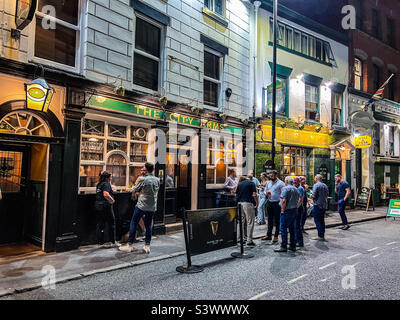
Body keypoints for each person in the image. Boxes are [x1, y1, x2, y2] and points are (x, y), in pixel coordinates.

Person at [120, 163, 160, 254]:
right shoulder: (157, 179)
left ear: (146, 169)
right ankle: (147, 246)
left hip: (141, 205)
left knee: (133, 222)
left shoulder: (143, 179)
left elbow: (134, 189)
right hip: (152, 206)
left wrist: (136, 192)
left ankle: (129, 245)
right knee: (148, 225)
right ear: (153, 169)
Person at [94, 171, 120, 248]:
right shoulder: (106, 184)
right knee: (112, 224)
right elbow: (106, 194)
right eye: (110, 177)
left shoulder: (99, 184)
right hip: (106, 206)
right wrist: (112, 200)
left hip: (99, 206)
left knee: (101, 224)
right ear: (108, 178)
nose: (111, 179)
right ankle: (112, 241)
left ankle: (100, 242)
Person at [274, 176, 300, 253]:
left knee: (283, 229)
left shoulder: (285, 188)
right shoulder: (296, 189)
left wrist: (282, 210)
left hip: (287, 211)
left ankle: (283, 246)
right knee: (292, 229)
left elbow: (284, 200)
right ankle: (292, 245)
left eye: (285, 181)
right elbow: (298, 200)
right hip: (294, 210)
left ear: (287, 181)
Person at [261, 170, 285, 244]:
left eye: (272, 176)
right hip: (270, 202)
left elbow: (283, 194)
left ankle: (276, 236)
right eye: (270, 176)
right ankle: (269, 235)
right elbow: (265, 190)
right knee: (269, 219)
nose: (271, 177)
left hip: (277, 203)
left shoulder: (281, 183)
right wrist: (266, 193)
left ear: (275, 175)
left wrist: (281, 205)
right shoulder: (268, 183)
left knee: (277, 220)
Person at [236, 176, 258, 247]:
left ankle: (240, 239)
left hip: (239, 204)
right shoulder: (251, 183)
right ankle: (249, 240)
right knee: (250, 222)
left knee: (241, 222)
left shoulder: (240, 184)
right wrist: (257, 203)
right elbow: (254, 194)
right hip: (248, 203)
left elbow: (236, 194)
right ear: (251, 179)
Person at [311, 174, 329, 241]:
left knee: (318, 221)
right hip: (324, 205)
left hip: (317, 205)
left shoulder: (316, 185)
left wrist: (311, 194)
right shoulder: (325, 185)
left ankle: (320, 236)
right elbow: (327, 194)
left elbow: (314, 195)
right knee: (322, 221)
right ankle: (322, 235)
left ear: (316, 178)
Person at [293, 177, 305, 248]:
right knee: (295, 225)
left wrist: (296, 208)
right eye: (294, 181)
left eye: (296, 181)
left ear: (299, 181)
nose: (295, 182)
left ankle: (300, 242)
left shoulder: (300, 188)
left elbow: (300, 200)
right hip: (296, 208)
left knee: (297, 226)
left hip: (299, 209)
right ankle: (295, 240)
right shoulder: (295, 187)